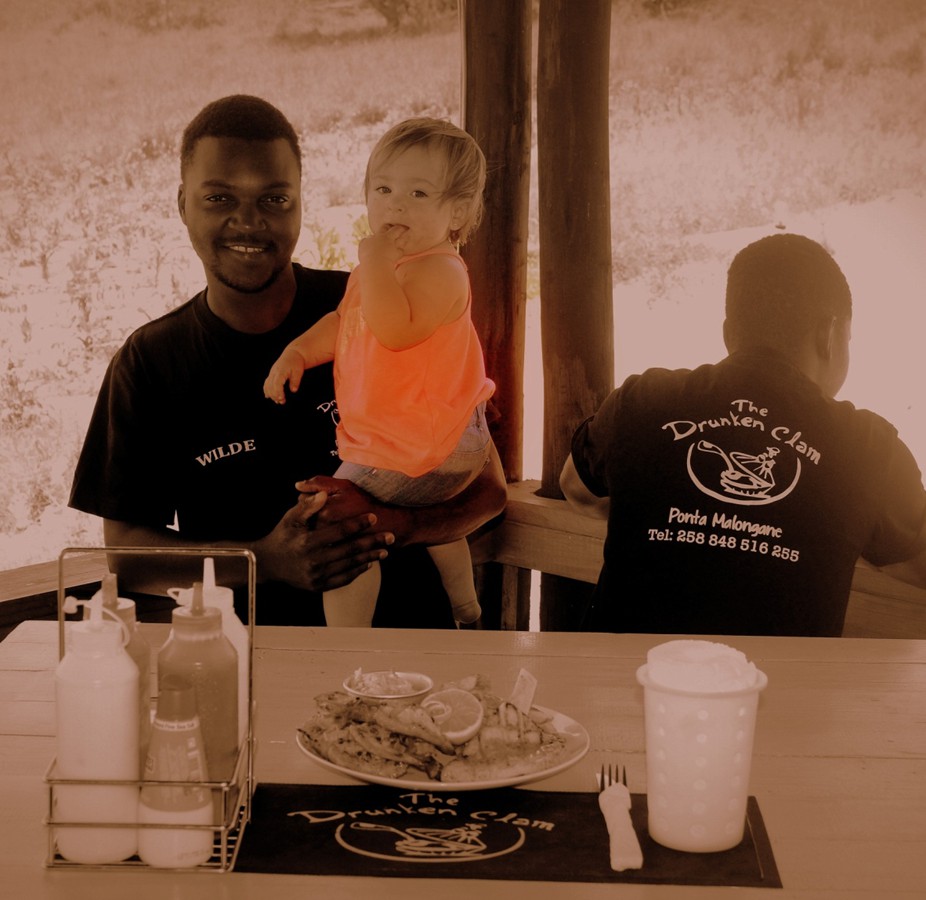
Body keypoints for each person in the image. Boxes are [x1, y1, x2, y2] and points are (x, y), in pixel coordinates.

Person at [68, 95, 507, 628]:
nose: (248, 221)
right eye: (219, 197)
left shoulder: (376, 300)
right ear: (183, 204)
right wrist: (266, 560)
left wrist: (393, 522)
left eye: (275, 199)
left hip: (417, 655)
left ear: (301, 204)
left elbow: (488, 491)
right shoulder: (150, 364)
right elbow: (128, 557)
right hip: (255, 658)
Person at [560, 233, 926, 637]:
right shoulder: (870, 448)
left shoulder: (641, 400)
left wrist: (665, 506)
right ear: (830, 333)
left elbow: (575, 487)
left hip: (619, 674)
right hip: (771, 680)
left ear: (728, 333)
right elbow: (918, 562)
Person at [263, 118, 494, 628]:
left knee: (336, 523)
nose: (396, 206)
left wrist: (374, 261)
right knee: (437, 517)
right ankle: (465, 607)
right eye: (384, 190)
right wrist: (298, 352)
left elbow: (393, 330)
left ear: (457, 212)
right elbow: (344, 320)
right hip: (419, 443)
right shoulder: (388, 271)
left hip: (432, 445)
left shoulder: (440, 271)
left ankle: (346, 642)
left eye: (418, 193)